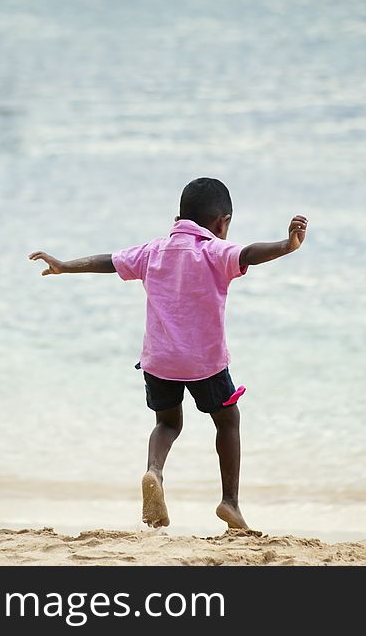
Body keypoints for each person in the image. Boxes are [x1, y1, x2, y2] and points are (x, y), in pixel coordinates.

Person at [29, 177, 307, 530]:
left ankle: (154, 471)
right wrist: (287, 244)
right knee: (227, 421)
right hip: (205, 363)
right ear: (222, 222)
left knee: (167, 423)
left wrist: (65, 265)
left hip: (159, 362)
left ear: (179, 217)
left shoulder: (153, 251)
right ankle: (230, 503)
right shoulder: (214, 251)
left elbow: (109, 261)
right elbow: (249, 253)